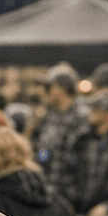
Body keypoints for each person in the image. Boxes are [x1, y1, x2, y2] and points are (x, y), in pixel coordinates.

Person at [31, 64, 90, 207]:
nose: (43, 92)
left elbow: (84, 159)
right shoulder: (51, 116)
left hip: (71, 197)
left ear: (60, 89)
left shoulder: (82, 116)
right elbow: (44, 152)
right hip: (50, 193)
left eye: (48, 88)